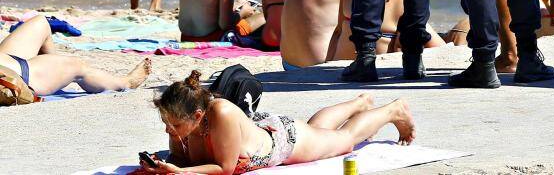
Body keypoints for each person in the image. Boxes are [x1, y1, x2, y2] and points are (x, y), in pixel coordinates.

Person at [150, 72, 415, 173]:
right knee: (319, 131)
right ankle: (359, 104)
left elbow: (225, 168)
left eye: (172, 124)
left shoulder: (222, 113)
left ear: (196, 116)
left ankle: (393, 110)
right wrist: (165, 164)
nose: (167, 129)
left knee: (345, 141)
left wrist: (181, 172)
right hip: (266, 130)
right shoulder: (187, 120)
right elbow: (186, 161)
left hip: (283, 141)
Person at [0, 16, 151, 96]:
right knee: (77, 66)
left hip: (8, 61)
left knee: (41, 23)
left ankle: (55, 75)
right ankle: (125, 83)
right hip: (16, 78)